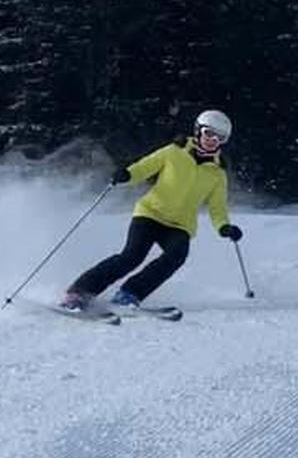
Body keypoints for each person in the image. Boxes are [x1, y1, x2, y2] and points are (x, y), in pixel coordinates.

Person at [60, 109, 243, 313]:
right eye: (209, 133)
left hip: (180, 225)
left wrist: (224, 227)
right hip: (150, 213)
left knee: (176, 256)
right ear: (198, 131)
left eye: (219, 138)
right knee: (131, 257)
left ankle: (129, 293)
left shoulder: (217, 174)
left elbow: (217, 207)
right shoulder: (174, 152)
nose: (212, 140)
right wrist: (127, 175)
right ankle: (80, 291)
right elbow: (145, 166)